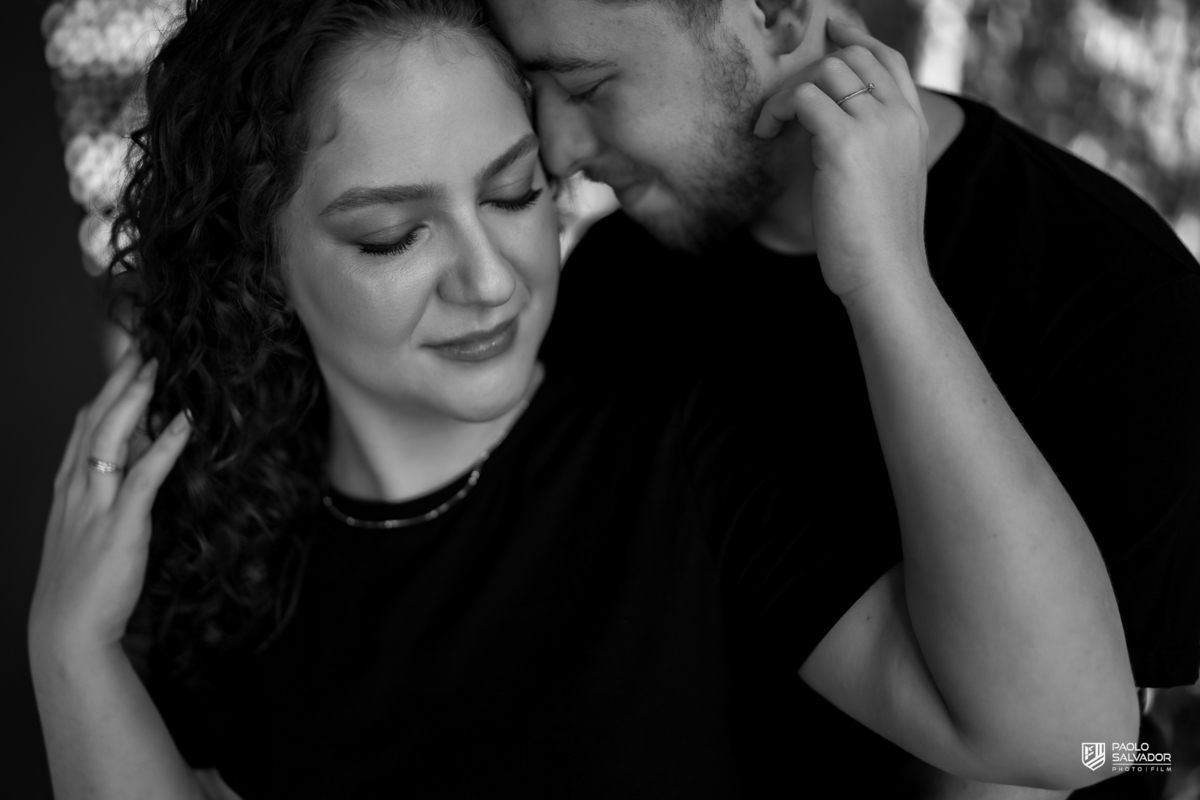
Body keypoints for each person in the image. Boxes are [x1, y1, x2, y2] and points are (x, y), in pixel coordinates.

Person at [27, 1, 1138, 798]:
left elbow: (1081, 737)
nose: (491, 277)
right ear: (260, 262)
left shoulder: (689, 444)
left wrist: (885, 274)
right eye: (392, 232)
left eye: (515, 194)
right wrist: (70, 648)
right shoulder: (217, 550)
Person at [481, 0, 1200, 797]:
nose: (552, 148)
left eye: (583, 87)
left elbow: (1126, 752)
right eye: (532, 84)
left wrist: (886, 283)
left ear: (779, 15)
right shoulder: (618, 279)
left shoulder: (1128, 298)